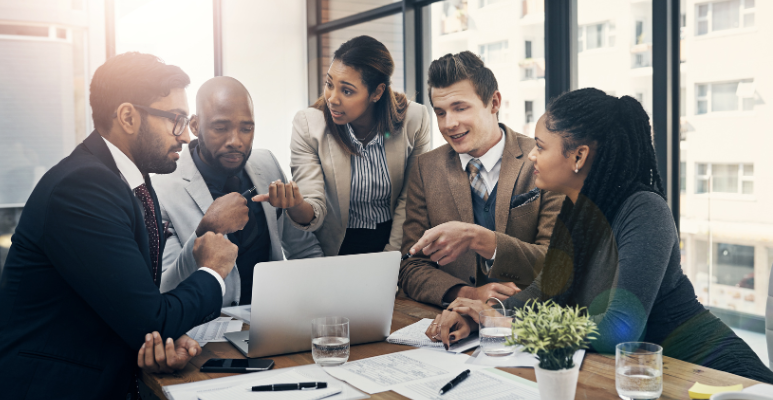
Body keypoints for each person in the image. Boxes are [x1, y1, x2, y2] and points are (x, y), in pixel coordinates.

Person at [425, 88, 773, 384]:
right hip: (639, 375)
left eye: (542, 147)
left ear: (578, 156)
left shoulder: (643, 210)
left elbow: (618, 330)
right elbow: (544, 293)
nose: (531, 155)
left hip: (712, 373)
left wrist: (507, 325)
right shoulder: (577, 212)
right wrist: (481, 313)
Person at [0, 53, 243, 398]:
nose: (186, 136)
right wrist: (213, 271)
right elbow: (152, 318)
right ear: (128, 116)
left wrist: (158, 342)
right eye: (175, 120)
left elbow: (134, 309)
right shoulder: (83, 187)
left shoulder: (129, 183)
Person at [398, 51, 563, 307]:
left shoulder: (543, 160)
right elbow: (411, 266)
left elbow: (557, 262)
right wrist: (467, 294)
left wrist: (480, 239)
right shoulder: (425, 168)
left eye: (460, 108)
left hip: (529, 321)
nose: (449, 123)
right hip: (452, 323)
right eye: (440, 113)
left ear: (494, 102)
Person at [253, 35, 431, 256]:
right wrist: (296, 205)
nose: (332, 98)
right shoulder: (309, 125)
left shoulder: (415, 119)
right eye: (329, 84)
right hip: (338, 247)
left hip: (398, 240)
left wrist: (392, 256)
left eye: (346, 91)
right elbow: (313, 207)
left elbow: (411, 200)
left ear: (377, 92)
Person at [155, 76, 324, 306]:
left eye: (246, 128)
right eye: (220, 128)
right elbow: (167, 289)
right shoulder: (161, 190)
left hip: (275, 321)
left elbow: (304, 250)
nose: (235, 141)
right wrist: (208, 229)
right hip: (206, 329)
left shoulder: (267, 164)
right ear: (195, 125)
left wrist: (323, 302)